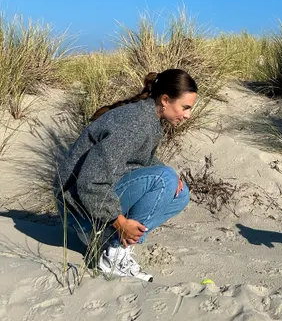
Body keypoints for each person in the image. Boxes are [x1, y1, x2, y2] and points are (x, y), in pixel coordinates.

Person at [56, 68, 197, 281]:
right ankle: (113, 255)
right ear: (165, 100)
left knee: (181, 193)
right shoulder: (135, 122)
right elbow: (90, 181)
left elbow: (141, 160)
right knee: (164, 178)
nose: (188, 115)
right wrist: (119, 221)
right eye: (185, 107)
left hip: (93, 206)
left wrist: (172, 176)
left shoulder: (150, 119)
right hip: (77, 213)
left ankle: (111, 242)